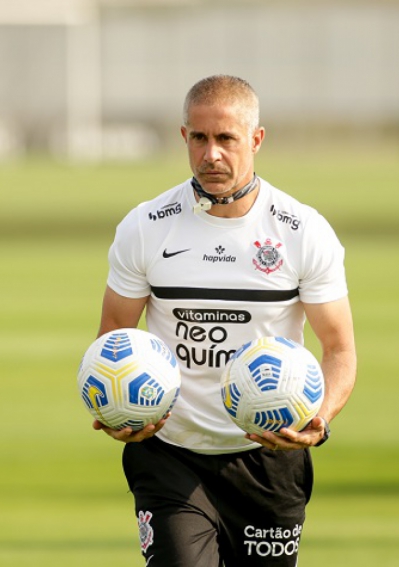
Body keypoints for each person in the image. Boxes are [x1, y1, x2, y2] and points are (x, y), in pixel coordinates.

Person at [94, 75, 356, 566]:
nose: (211, 153)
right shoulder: (146, 227)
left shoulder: (303, 232)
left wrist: (319, 421)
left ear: (255, 139)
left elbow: (339, 347)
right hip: (170, 453)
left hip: (270, 459)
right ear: (184, 137)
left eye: (226, 138)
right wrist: (118, 409)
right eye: (199, 137)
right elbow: (115, 332)